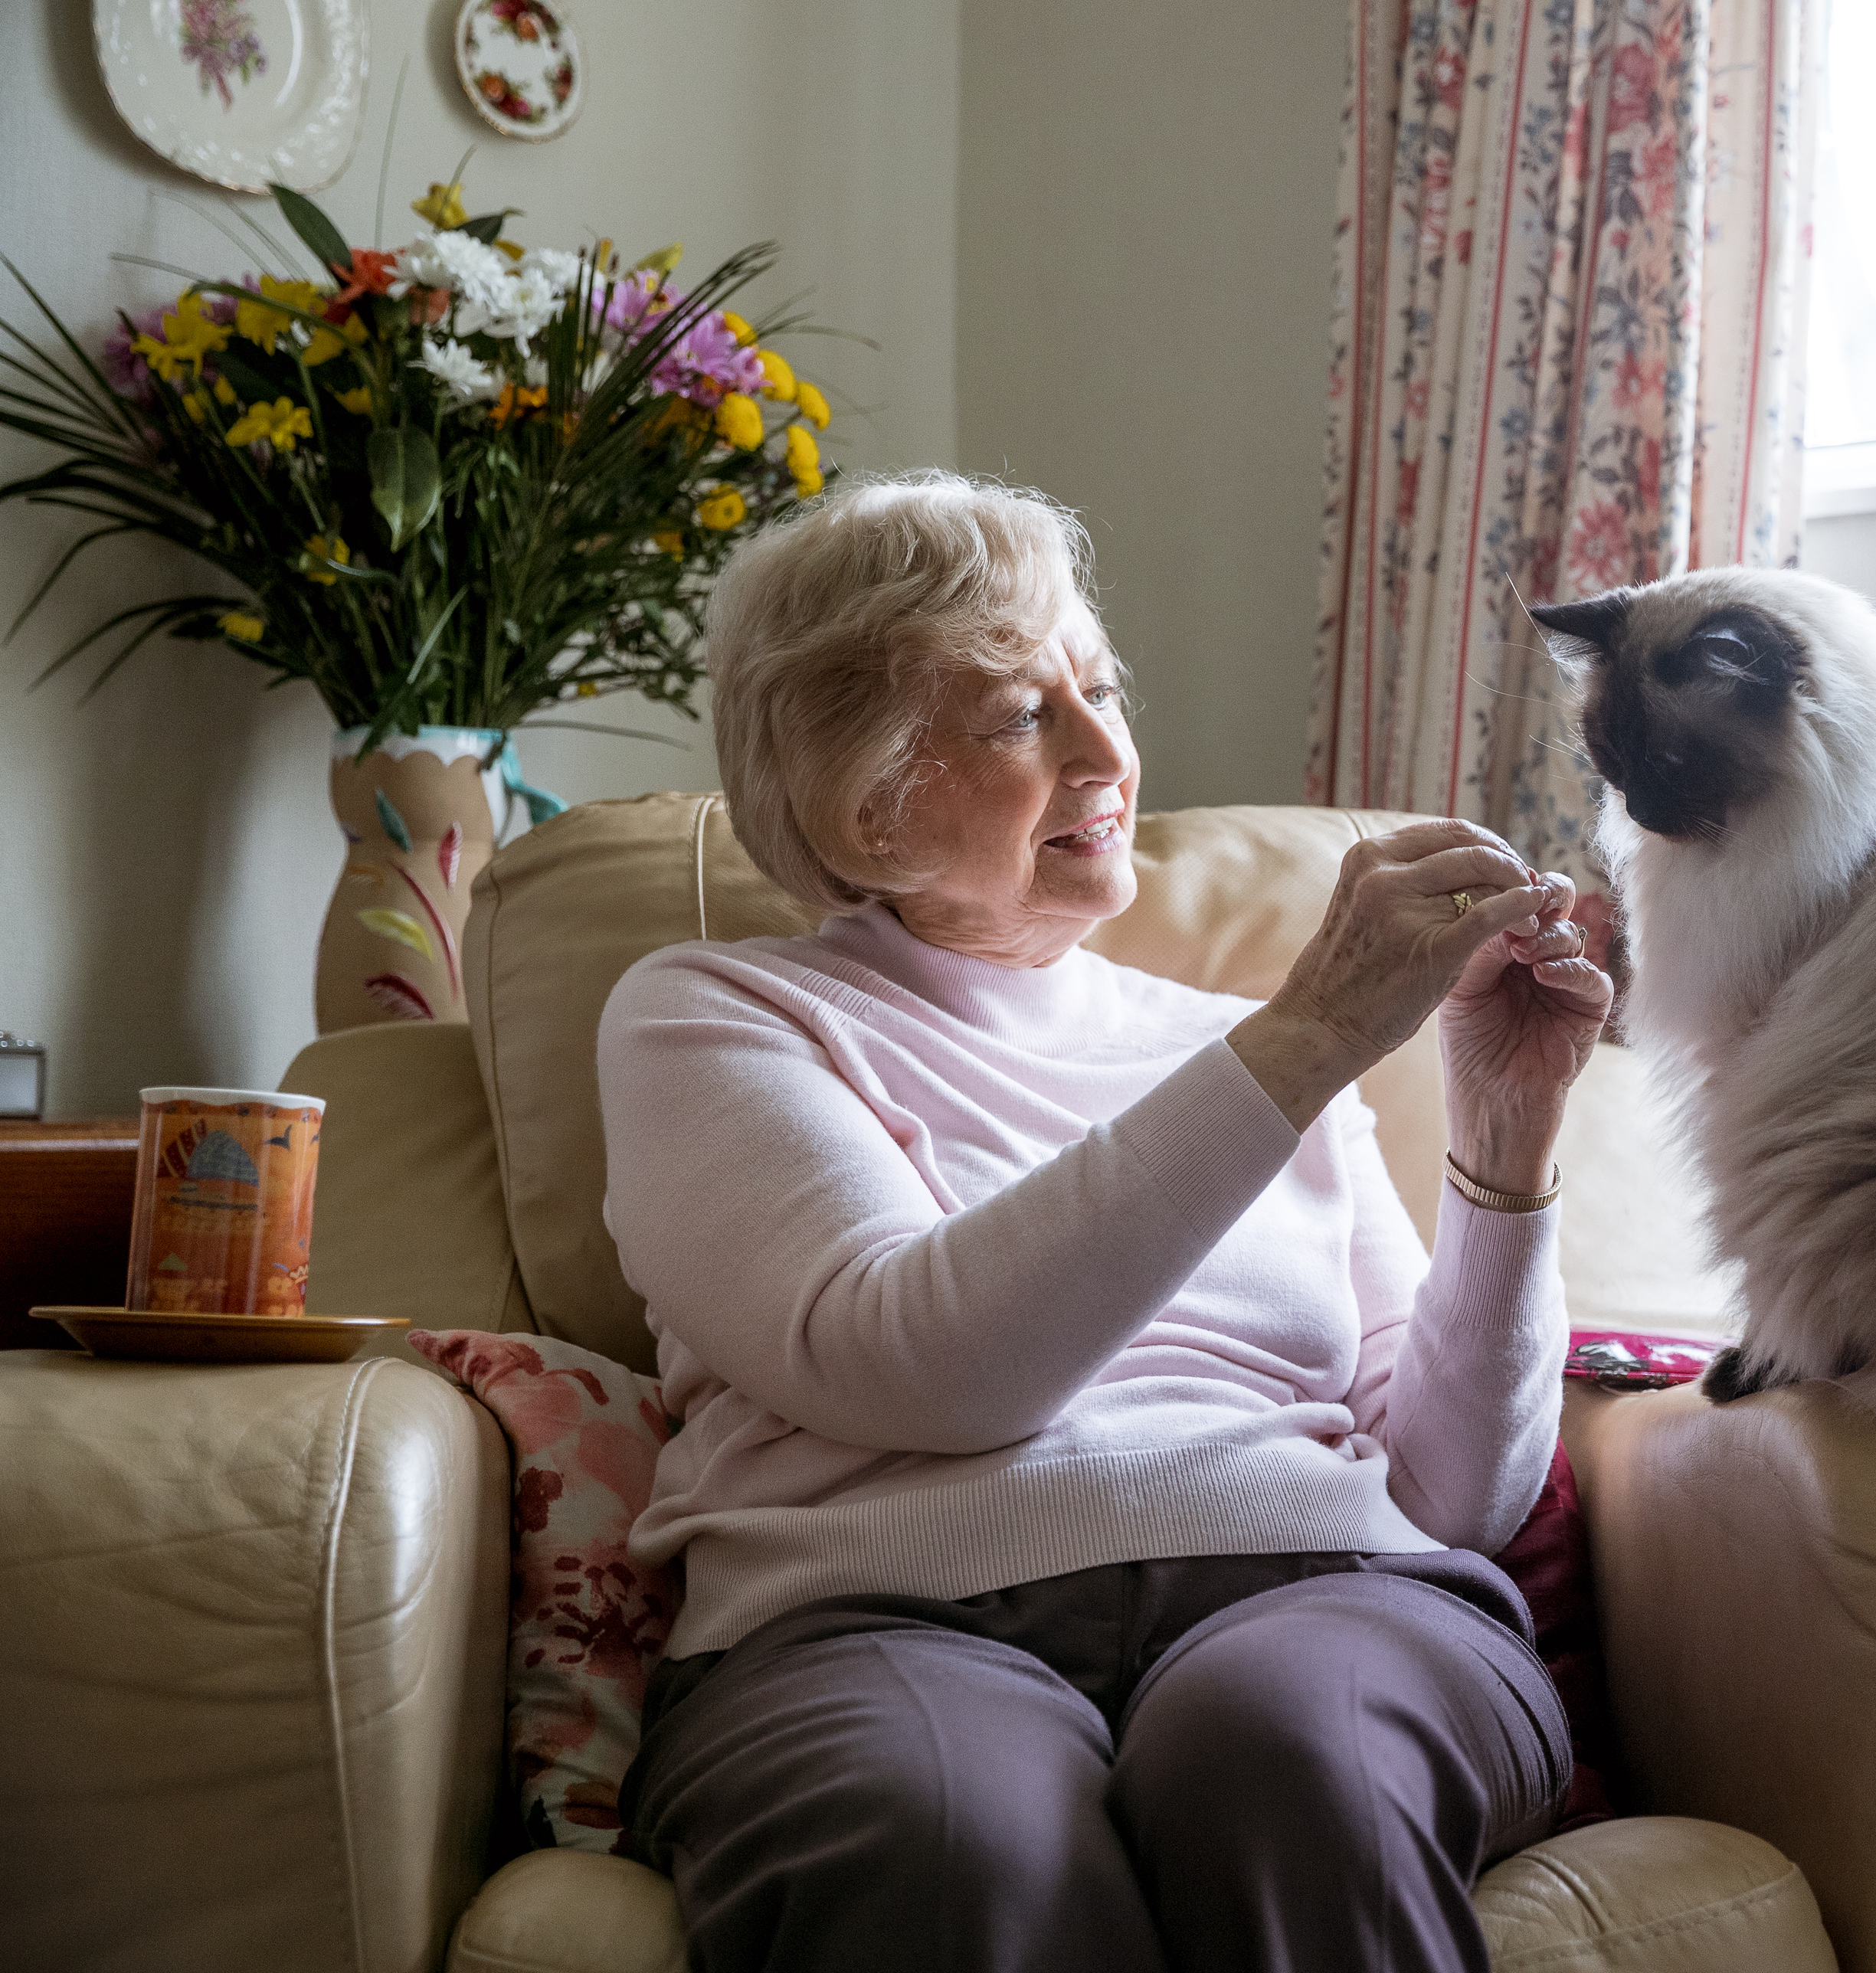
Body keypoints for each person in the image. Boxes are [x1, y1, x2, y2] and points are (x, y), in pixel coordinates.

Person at [599, 470, 1613, 1972]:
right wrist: (1306, 1035)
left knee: (1290, 1755)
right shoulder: (721, 1014)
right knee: (948, 1836)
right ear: (866, 799)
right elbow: (916, 1362)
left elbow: (1456, 1491)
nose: (1108, 752)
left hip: (1329, 1594)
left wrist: (1506, 1138)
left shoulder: (1263, 1056)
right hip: (874, 1624)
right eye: (1023, 714)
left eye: (1103, 686)